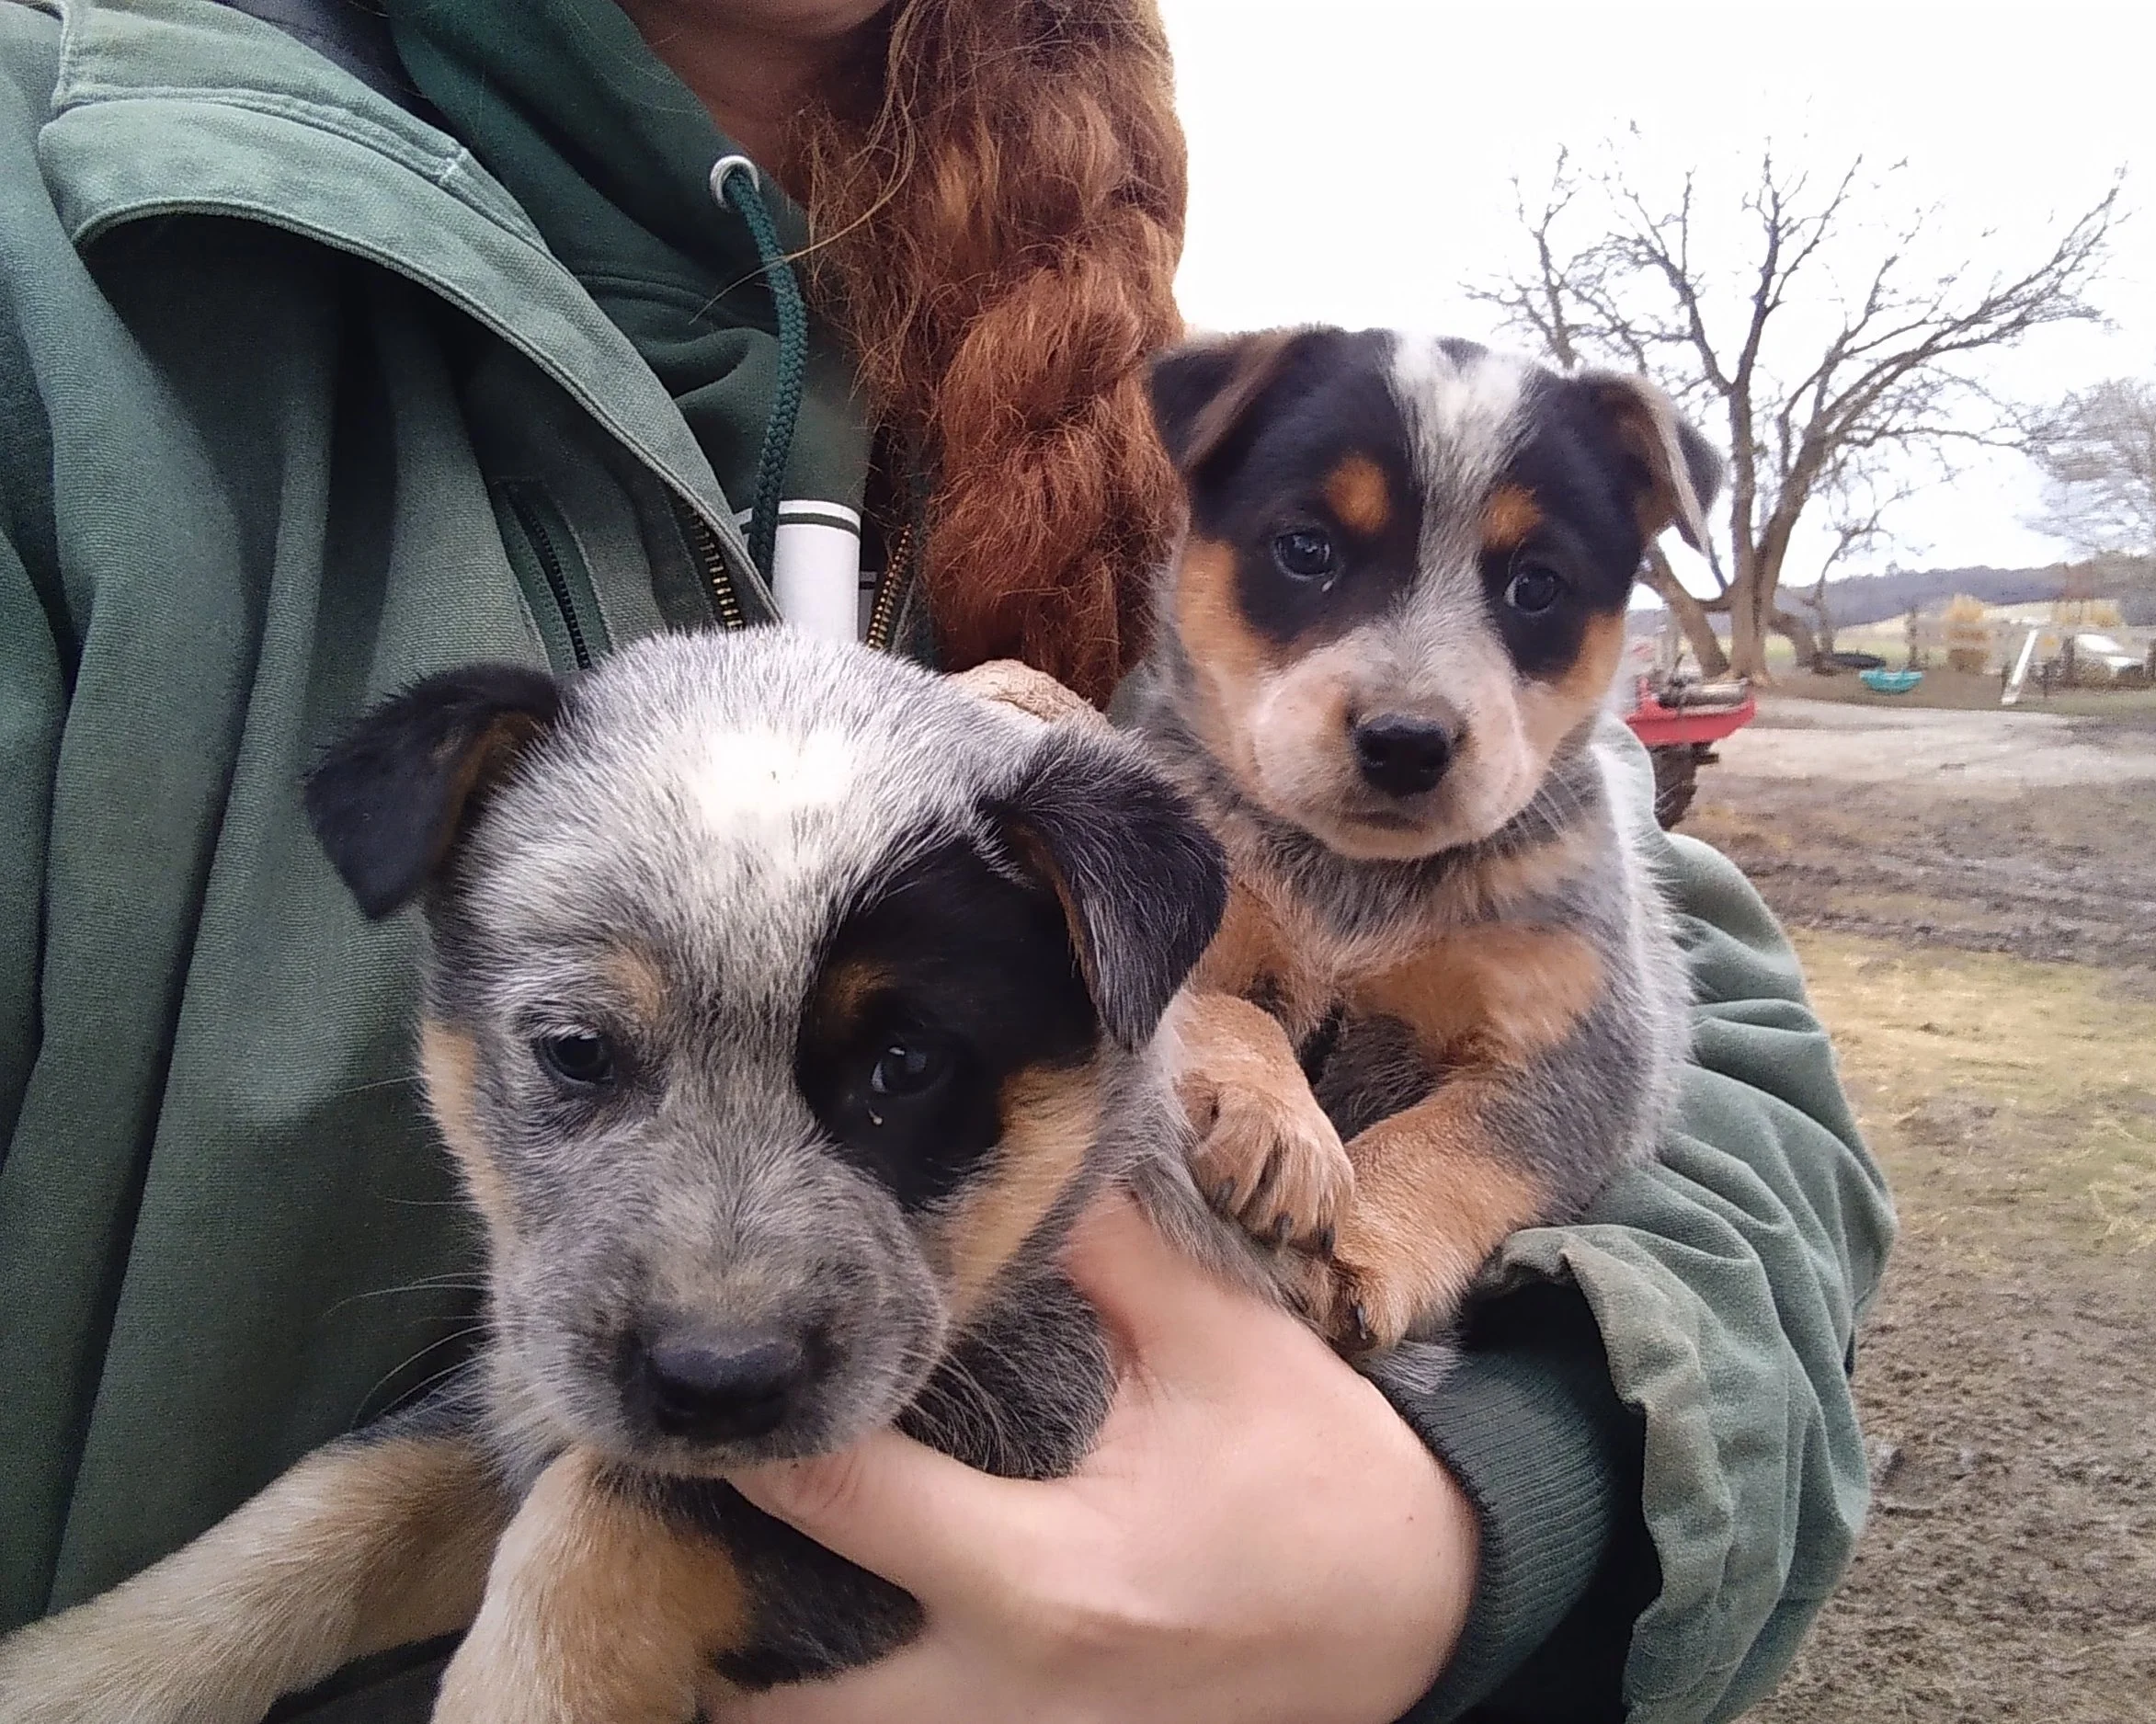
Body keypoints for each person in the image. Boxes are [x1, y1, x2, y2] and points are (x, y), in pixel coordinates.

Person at [0, 1, 1894, 1720]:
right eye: (579, 1051)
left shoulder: (1174, 404)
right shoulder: (75, 276)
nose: (1402, 687)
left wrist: (1485, 1498)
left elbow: (1700, 1045)